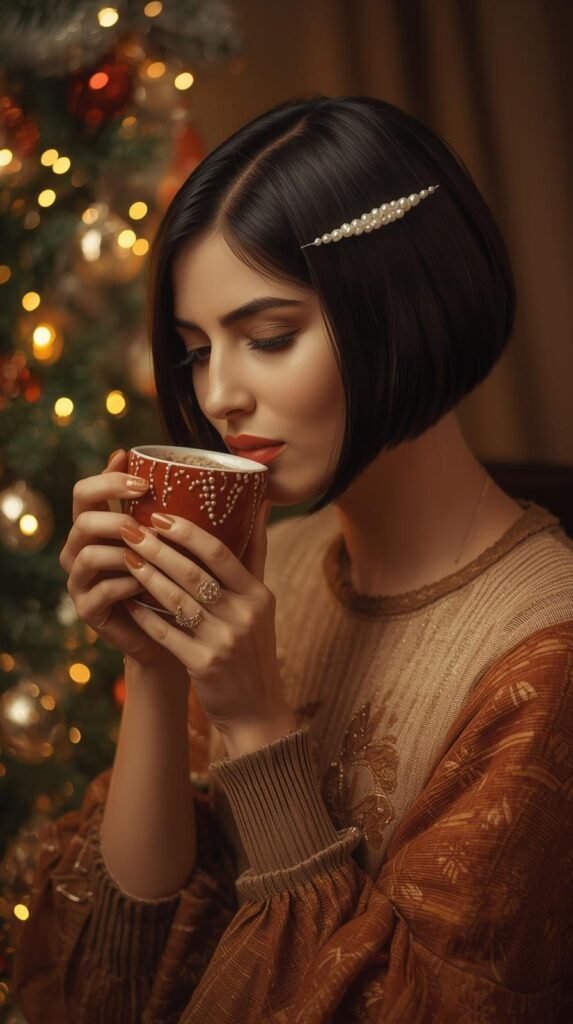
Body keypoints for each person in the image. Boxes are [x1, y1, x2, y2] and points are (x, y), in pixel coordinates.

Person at [12, 93, 573, 1023]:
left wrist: (258, 727)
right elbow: (120, 985)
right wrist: (153, 664)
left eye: (269, 338)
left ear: (404, 306)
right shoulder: (267, 569)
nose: (218, 395)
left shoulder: (544, 656)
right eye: (195, 352)